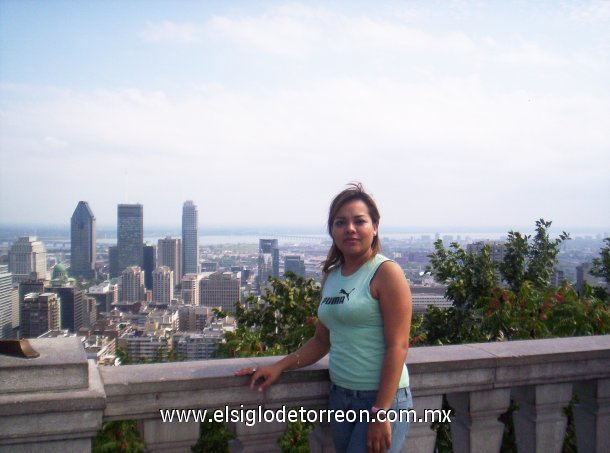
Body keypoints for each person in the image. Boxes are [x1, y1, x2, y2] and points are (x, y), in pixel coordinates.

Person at [235, 183, 413, 453]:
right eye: (340, 222)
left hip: (381, 400)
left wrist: (381, 411)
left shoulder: (387, 273)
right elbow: (321, 340)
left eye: (359, 221)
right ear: (332, 230)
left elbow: (398, 346)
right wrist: (279, 366)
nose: (349, 228)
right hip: (341, 396)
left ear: (374, 226)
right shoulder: (332, 276)